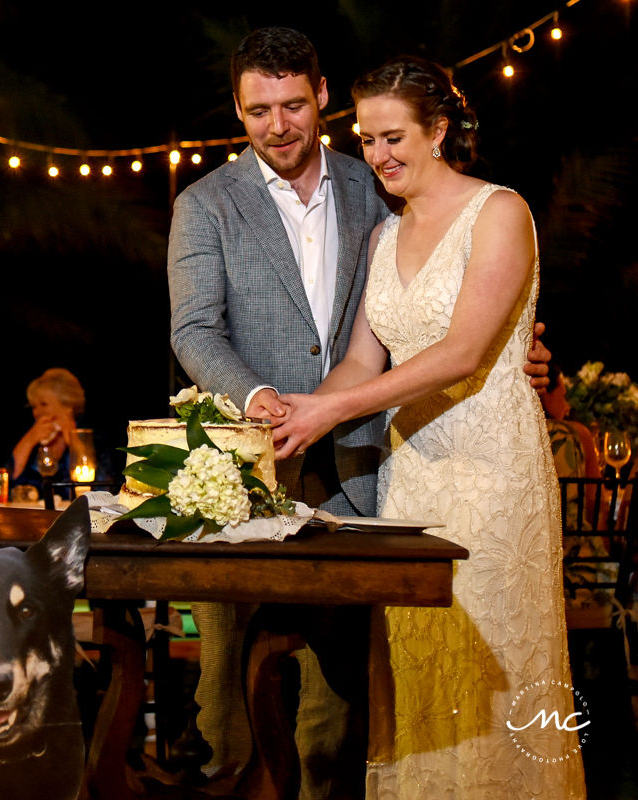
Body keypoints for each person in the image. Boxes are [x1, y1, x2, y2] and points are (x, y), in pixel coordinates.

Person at [168, 29, 552, 796]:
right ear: (239, 112)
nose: (276, 124)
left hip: (367, 474)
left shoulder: (371, 190)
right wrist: (271, 406)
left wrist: (522, 352)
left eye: (291, 105)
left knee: (342, 707)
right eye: (256, 109)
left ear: (318, 99)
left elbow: (465, 315)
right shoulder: (206, 203)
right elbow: (193, 330)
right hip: (254, 464)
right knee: (224, 707)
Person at [272, 56, 585, 796]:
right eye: (366, 140)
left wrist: (337, 410)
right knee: (418, 668)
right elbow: (358, 359)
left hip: (491, 472)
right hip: (412, 476)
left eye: (393, 137)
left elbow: (463, 351)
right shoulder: (386, 235)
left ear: (438, 129)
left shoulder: (499, 211)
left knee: (495, 669)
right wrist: (298, 409)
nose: (378, 155)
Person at [9, 368, 92, 494]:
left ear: (67, 406)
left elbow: (101, 487)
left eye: (44, 404)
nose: (36, 412)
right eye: (34, 407)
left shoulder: (89, 435)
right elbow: (5, 483)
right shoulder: (31, 432)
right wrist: (29, 440)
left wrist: (73, 439)